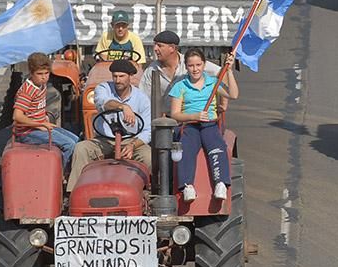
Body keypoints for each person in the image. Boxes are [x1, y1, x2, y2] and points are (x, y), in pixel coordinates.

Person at [66, 60, 152, 192]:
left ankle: (150, 192)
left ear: (130, 76)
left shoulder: (142, 98)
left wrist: (132, 145)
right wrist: (123, 107)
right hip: (104, 140)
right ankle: (75, 193)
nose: (118, 80)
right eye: (115, 76)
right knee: (81, 148)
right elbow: (103, 102)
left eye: (122, 76)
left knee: (149, 156)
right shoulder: (103, 88)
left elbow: (147, 131)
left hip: (131, 140)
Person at [169, 49, 239, 202]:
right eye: (191, 66)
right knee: (185, 148)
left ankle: (220, 183)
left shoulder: (213, 83)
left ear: (204, 65)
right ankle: (187, 186)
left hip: (210, 125)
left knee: (217, 146)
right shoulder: (180, 86)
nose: (195, 69)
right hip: (190, 125)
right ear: (186, 67)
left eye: (198, 65)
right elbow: (175, 114)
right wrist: (194, 116)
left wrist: (229, 71)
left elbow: (233, 95)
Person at [13, 52, 79, 166]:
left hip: (41, 126)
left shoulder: (42, 85)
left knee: (77, 141)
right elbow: (17, 116)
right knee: (69, 145)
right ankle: (61, 174)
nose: (44, 77)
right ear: (31, 73)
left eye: (46, 73)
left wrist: (45, 119)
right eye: (39, 74)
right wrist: (39, 125)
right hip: (28, 132)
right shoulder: (28, 91)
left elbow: (36, 109)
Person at [139, 30, 223, 115]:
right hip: (164, 120)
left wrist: (223, 102)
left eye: (159, 46)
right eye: (155, 45)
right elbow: (143, 98)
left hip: (189, 118)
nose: (155, 49)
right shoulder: (151, 70)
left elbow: (222, 73)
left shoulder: (190, 62)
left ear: (172, 48)